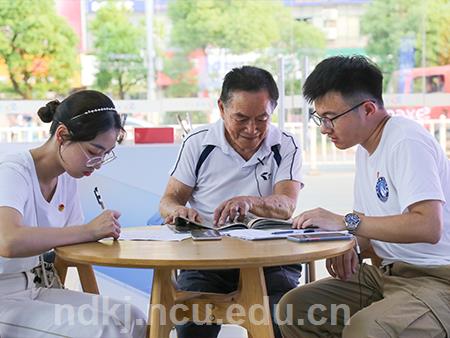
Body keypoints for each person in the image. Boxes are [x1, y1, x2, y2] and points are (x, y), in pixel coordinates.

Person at [277, 55, 450, 337]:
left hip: (435, 278)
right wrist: (351, 244)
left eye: (331, 117)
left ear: (368, 109)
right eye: (319, 117)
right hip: (384, 274)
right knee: (295, 308)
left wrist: (347, 222)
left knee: (366, 329)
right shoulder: (365, 149)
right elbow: (370, 228)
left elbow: (428, 226)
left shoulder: (405, 140)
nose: (323, 128)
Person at [160, 66, 303, 338]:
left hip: (272, 259)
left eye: (262, 118)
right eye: (241, 118)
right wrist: (178, 211)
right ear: (221, 109)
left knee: (280, 319)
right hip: (207, 260)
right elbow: (169, 199)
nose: (252, 129)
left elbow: (287, 203)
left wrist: (249, 202)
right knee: (191, 320)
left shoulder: (285, 145)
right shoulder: (198, 143)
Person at [0, 90, 147, 338]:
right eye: (92, 151)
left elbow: (73, 247)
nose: (98, 162)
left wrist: (98, 234)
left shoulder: (66, 179)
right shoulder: (13, 172)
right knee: (103, 329)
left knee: (133, 318)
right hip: (5, 297)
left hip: (35, 288)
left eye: (105, 154)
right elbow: (7, 241)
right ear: (61, 135)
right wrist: (88, 230)